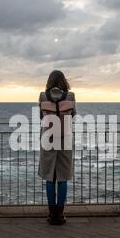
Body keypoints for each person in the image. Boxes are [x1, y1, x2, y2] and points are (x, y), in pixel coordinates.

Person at [38, 70, 76, 225]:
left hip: (48, 138)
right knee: (62, 176)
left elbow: (42, 116)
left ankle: (51, 214)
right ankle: (60, 215)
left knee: (49, 176)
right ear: (64, 81)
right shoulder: (70, 96)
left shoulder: (42, 96)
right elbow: (73, 114)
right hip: (65, 139)